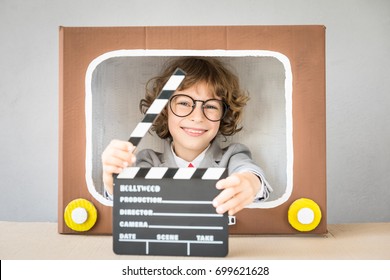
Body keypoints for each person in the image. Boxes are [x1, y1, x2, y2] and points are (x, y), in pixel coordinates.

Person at [101, 57, 272, 216]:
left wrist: (250, 183)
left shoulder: (232, 156)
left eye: (211, 106)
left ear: (224, 114)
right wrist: (113, 183)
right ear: (164, 109)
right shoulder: (148, 161)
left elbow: (249, 172)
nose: (197, 117)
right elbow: (131, 196)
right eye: (184, 103)